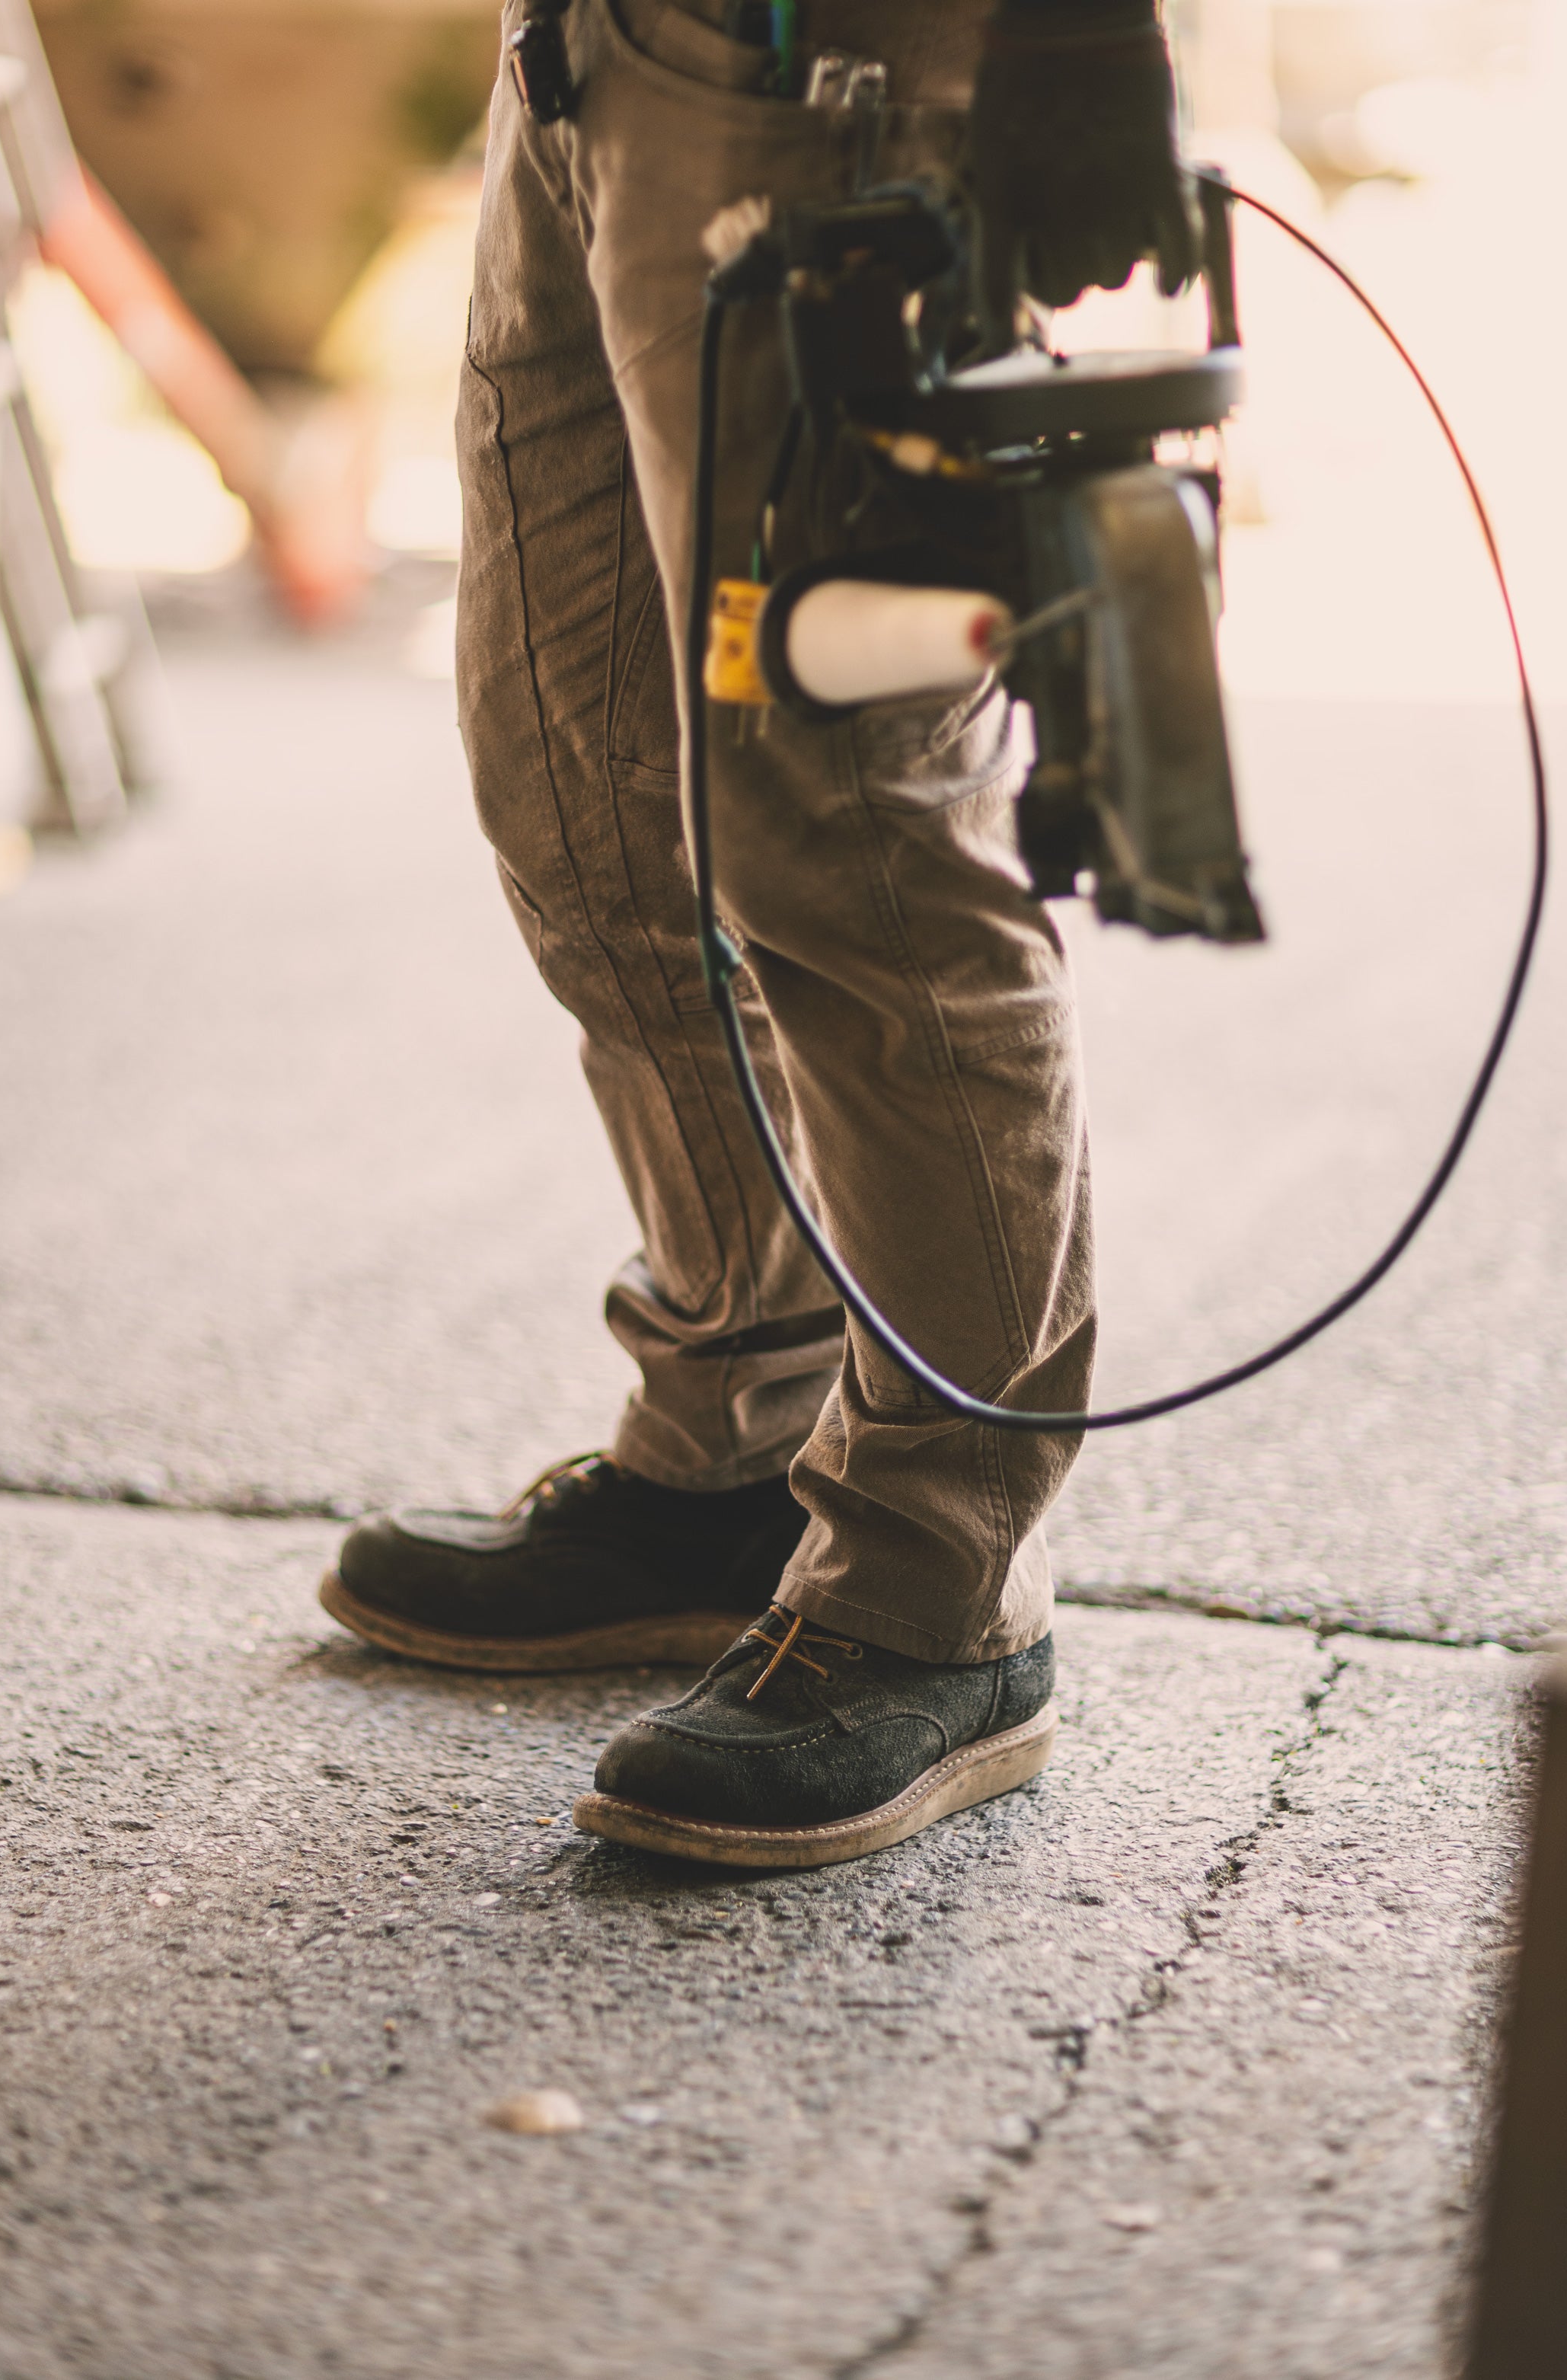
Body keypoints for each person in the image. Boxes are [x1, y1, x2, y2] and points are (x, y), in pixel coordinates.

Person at [321, 0, 1198, 1867]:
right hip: (586, 64)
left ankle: (938, 1587)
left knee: (848, 824)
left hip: (838, 72)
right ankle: (734, 1442)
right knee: (583, 787)